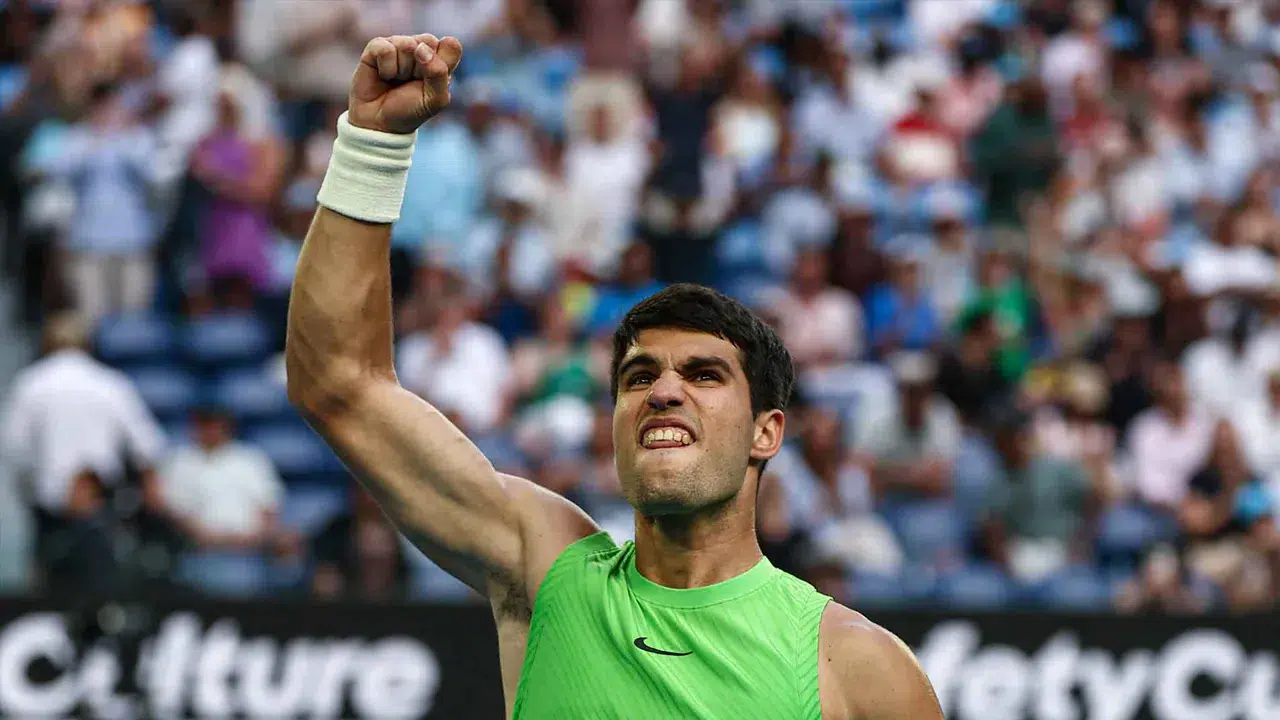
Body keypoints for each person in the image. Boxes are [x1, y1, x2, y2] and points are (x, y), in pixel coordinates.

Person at [285, 33, 941, 718]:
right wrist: (372, 144)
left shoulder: (859, 667)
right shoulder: (545, 568)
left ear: (766, 432)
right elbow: (337, 382)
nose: (663, 392)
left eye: (704, 375)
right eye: (638, 377)